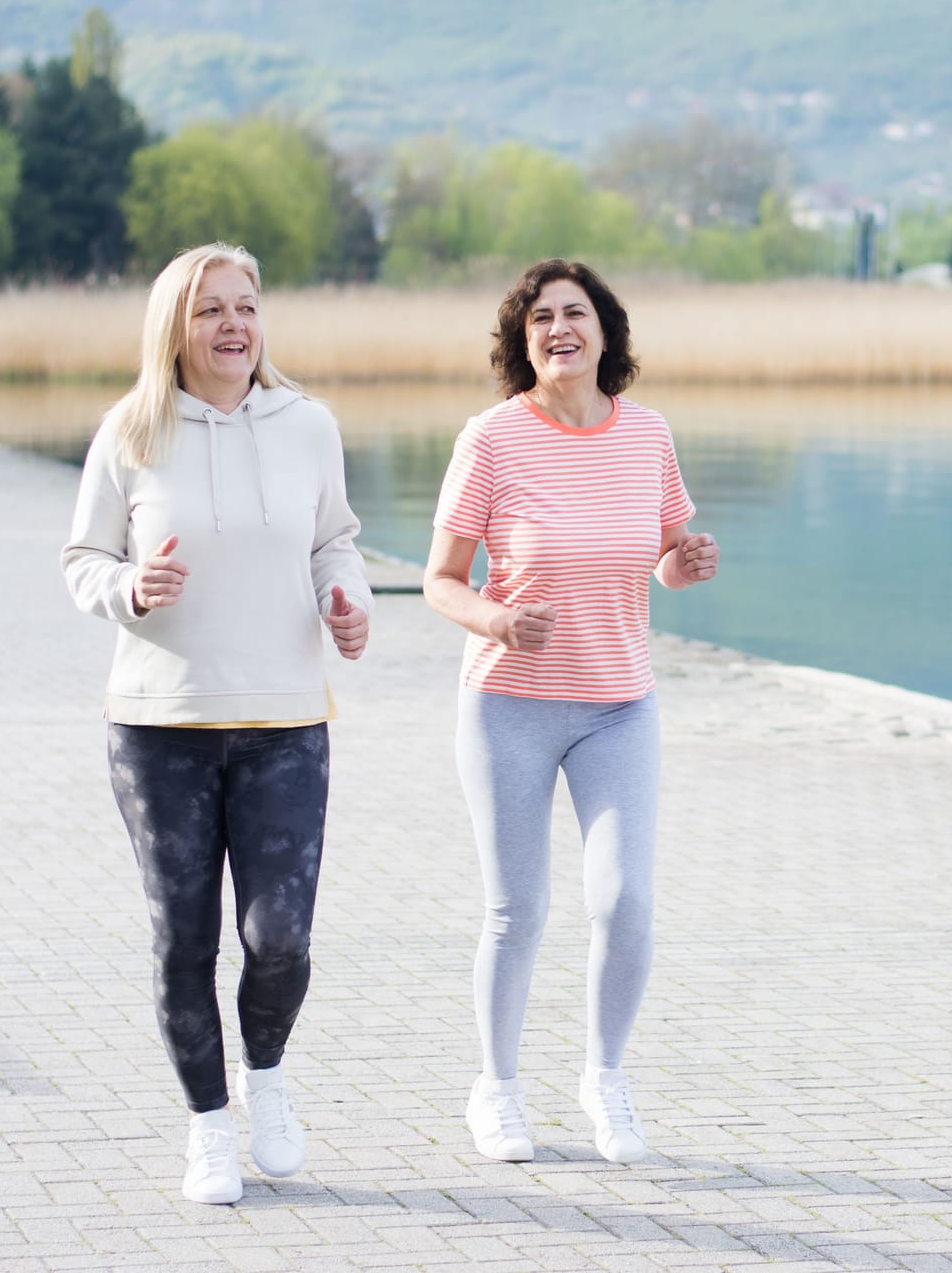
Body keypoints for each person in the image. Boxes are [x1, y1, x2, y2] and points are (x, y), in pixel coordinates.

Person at [61, 242, 372, 1204]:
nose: (234, 325)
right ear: (175, 328)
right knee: (184, 944)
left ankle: (265, 1079)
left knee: (280, 940)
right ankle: (207, 1131)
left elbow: (336, 541)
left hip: (285, 719)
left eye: (246, 306)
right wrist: (130, 589)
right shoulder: (131, 430)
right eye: (210, 310)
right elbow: (82, 560)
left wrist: (348, 601)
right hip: (161, 726)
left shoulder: (307, 424)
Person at [424, 258, 718, 1165]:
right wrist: (498, 619)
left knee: (625, 901)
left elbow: (662, 556)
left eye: (575, 313)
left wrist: (685, 565)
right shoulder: (491, 440)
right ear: (523, 341)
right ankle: (498, 1090)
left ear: (605, 333)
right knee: (517, 911)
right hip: (508, 704)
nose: (560, 328)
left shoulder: (649, 436)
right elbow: (440, 581)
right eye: (541, 317)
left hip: (619, 706)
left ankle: (605, 1077)